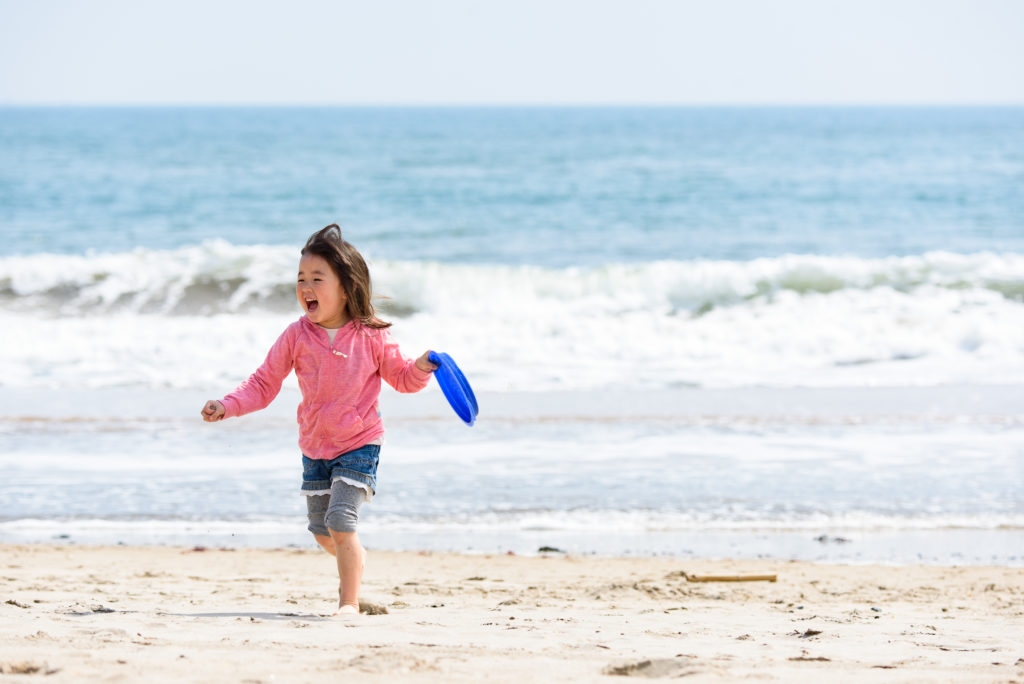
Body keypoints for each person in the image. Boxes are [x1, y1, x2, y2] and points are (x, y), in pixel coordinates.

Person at [200, 224, 437, 615]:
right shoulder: (296, 336)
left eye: (317, 278)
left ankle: (348, 604)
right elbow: (263, 383)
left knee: (341, 520)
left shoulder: (371, 335)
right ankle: (355, 559)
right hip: (315, 446)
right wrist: (227, 405)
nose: (306, 287)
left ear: (345, 287)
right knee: (323, 532)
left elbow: (403, 379)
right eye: (300, 279)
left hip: (359, 442)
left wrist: (423, 367)